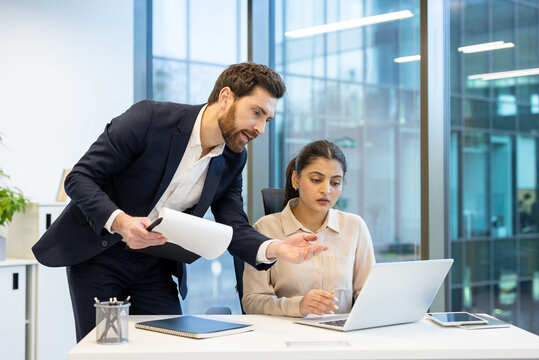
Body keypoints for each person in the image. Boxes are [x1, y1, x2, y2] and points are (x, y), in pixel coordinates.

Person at [32, 63, 328, 341]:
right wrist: (121, 222)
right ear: (226, 97)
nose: (260, 129)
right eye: (256, 113)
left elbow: (233, 225)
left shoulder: (233, 157)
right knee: (103, 349)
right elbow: (80, 178)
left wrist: (277, 247)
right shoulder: (149, 118)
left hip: (156, 264)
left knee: (170, 346)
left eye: (267, 119)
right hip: (101, 253)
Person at [242, 140, 375, 317]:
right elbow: (252, 301)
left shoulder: (355, 227)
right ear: (296, 179)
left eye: (335, 183)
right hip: (284, 336)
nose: (326, 190)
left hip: (342, 337)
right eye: (316, 180)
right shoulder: (265, 228)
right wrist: (298, 306)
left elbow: (369, 295)